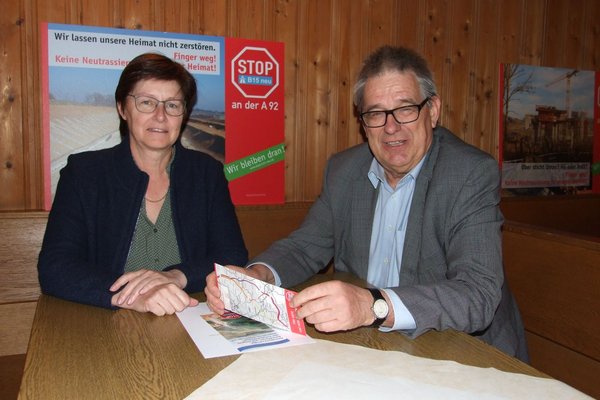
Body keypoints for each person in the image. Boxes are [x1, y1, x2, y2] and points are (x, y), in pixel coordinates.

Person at [206, 45, 528, 361]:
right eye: (375, 113)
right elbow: (305, 247)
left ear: (432, 111)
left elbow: (477, 294)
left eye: (405, 109)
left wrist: (371, 305)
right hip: (373, 347)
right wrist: (258, 275)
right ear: (363, 122)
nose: (391, 127)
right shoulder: (344, 171)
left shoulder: (469, 174)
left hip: (465, 354)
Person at [38, 53, 248, 316]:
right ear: (122, 108)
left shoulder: (207, 173)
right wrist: (131, 296)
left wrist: (177, 276)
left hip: (189, 314)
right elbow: (55, 267)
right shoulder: (83, 173)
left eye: (172, 105)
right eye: (147, 102)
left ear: (184, 114)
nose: (160, 116)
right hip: (104, 318)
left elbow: (232, 255)